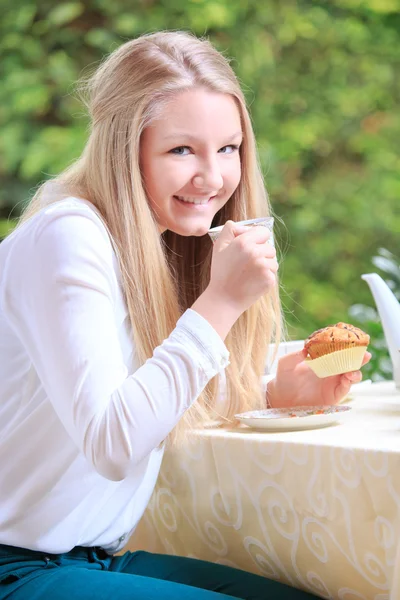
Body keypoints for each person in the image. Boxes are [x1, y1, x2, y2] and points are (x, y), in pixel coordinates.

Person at [0, 31, 369, 600]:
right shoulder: (69, 235)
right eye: (181, 150)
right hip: (17, 567)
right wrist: (220, 302)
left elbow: (143, 395)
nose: (214, 178)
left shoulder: (158, 240)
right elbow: (113, 442)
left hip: (94, 559)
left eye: (228, 148)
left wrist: (271, 392)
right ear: (126, 149)